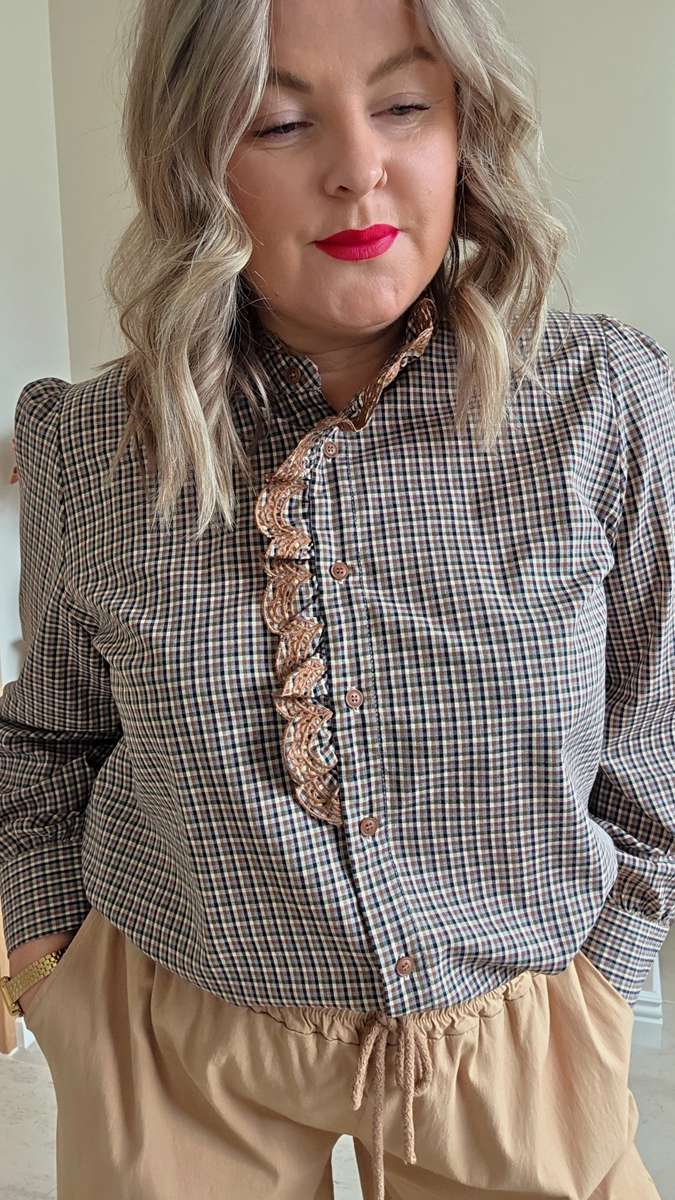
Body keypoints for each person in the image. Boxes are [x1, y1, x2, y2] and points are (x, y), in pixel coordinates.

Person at [0, 0, 672, 1197]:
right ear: (194, 160)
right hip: (178, 1041)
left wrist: (605, 979)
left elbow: (658, 729)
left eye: (405, 105)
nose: (359, 169)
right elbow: (48, 738)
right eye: (280, 123)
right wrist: (52, 963)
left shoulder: (602, 406)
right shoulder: (89, 446)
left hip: (513, 1033)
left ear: (466, 128)